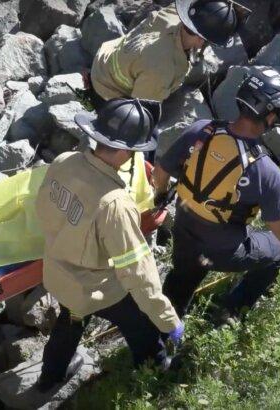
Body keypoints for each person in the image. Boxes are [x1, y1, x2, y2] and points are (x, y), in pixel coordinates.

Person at [152, 68, 280, 323]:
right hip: (224, 250)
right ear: (270, 115)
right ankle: (232, 310)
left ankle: (164, 331)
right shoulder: (265, 170)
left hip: (184, 235)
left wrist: (160, 196)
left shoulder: (202, 130)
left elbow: (160, 172)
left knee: (181, 282)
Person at [33, 99, 184, 393]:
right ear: (129, 152)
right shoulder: (115, 204)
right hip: (94, 286)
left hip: (58, 274)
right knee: (141, 322)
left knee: (72, 318)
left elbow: (43, 211)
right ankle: (155, 374)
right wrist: (169, 322)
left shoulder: (65, 161)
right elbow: (138, 274)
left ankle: (48, 380)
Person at [89, 0, 240, 104]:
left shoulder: (175, 13)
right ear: (201, 39)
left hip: (107, 54)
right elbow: (141, 107)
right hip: (107, 87)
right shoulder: (162, 68)